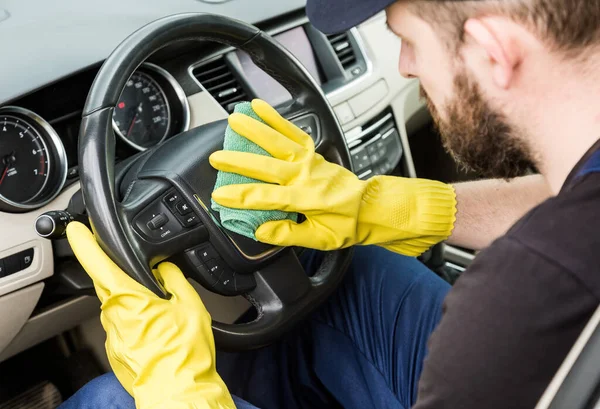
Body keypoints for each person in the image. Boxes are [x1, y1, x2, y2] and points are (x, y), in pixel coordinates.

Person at [60, 0, 600, 408]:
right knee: (347, 274)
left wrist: (180, 390)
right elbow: (576, 196)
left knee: (116, 401)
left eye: (407, 39)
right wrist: (384, 208)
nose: (406, 66)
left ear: (494, 50)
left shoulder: (524, 297)